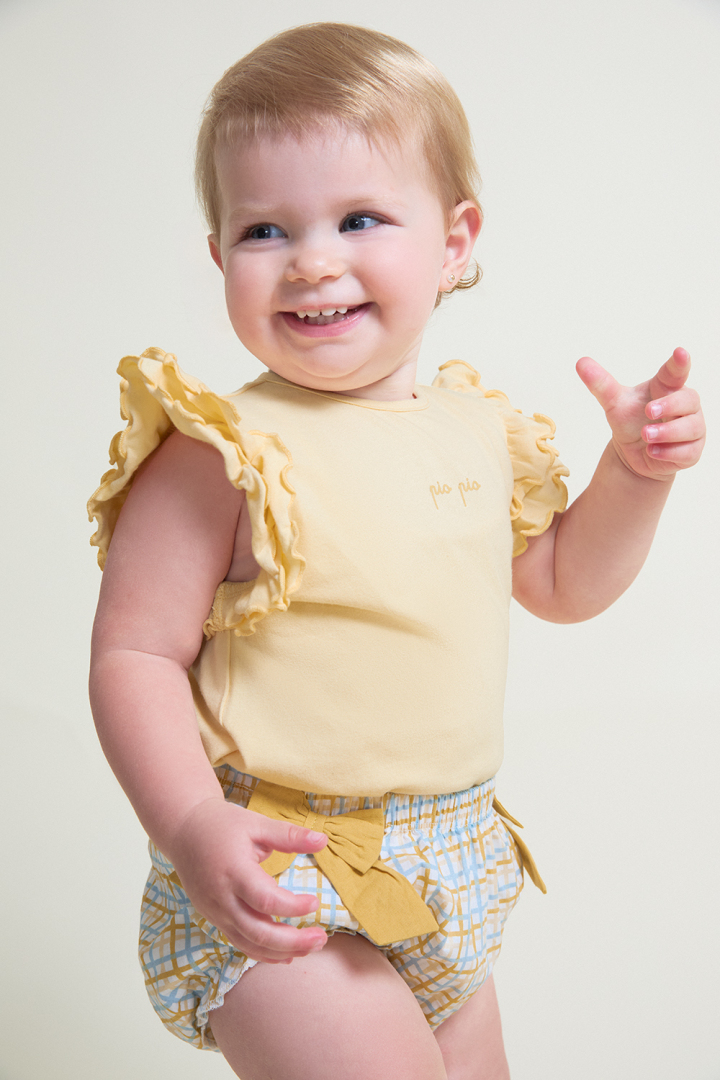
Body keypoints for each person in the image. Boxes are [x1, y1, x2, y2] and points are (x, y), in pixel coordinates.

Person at [87, 22, 705, 1080]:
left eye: (360, 218)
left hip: (451, 856)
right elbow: (134, 654)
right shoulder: (221, 454)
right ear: (219, 254)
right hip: (283, 862)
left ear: (455, 241)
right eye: (264, 230)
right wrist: (190, 823)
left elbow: (563, 581)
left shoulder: (476, 429)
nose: (312, 260)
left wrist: (635, 477)